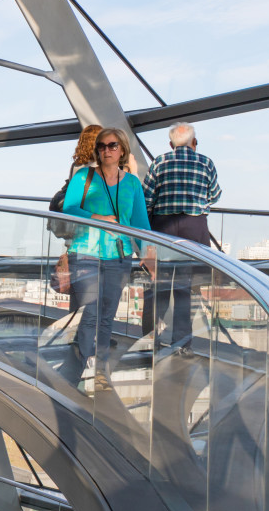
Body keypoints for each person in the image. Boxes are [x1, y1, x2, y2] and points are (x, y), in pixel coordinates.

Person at [60, 128, 153, 391]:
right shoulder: (84, 176)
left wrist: (147, 253)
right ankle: (73, 374)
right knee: (89, 315)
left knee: (107, 317)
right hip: (86, 253)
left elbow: (140, 223)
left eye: (112, 146)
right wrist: (99, 219)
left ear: (122, 150)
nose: (106, 150)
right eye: (101, 146)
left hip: (119, 256)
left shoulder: (132, 183)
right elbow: (69, 210)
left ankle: (101, 372)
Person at [142, 123, 221, 356]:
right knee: (185, 290)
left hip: (163, 229)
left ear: (171, 144)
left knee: (158, 288)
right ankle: (182, 344)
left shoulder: (160, 162)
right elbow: (214, 195)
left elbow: (147, 197)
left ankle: (149, 340)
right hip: (193, 230)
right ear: (193, 143)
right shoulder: (206, 163)